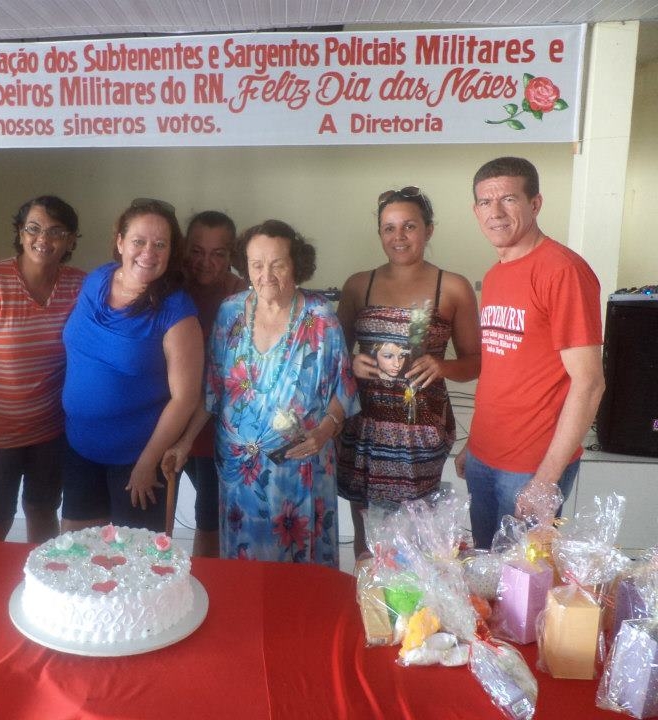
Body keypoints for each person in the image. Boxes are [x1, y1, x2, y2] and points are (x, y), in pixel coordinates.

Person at [167, 219, 358, 566]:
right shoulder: (230, 312)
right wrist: (184, 442)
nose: (265, 275)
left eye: (277, 264)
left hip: (300, 467)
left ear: (296, 265)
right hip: (240, 471)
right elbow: (213, 389)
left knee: (299, 569)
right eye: (256, 264)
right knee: (244, 563)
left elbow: (342, 388)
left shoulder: (320, 317)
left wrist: (324, 432)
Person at [456, 157, 605, 549]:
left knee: (522, 580)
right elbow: (502, 369)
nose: (495, 212)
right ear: (475, 211)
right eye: (485, 202)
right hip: (485, 457)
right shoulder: (495, 275)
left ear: (535, 204)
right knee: (485, 570)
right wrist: (474, 444)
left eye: (508, 199)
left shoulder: (563, 271)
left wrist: (546, 480)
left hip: (531, 468)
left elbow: (590, 383)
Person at [337, 187, 481, 558]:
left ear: (428, 230)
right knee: (367, 535)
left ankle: (411, 599)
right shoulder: (358, 285)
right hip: (365, 427)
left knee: (415, 543)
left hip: (420, 432)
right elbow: (332, 358)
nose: (398, 236)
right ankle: (365, 594)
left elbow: (476, 362)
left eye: (409, 226)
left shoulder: (453, 287)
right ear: (380, 233)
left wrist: (442, 366)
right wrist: (350, 364)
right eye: (389, 228)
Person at [60, 199, 203, 533]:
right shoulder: (96, 280)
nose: (148, 252)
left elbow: (185, 399)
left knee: (136, 559)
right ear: (120, 242)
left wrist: (147, 463)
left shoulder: (176, 311)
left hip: (137, 460)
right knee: (78, 552)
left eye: (160, 244)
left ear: (171, 252)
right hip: (80, 447)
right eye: (139, 241)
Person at [0, 196, 84, 543]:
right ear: (20, 234)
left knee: (43, 511)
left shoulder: (80, 286)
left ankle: (41, 577)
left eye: (56, 232)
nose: (43, 239)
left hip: (52, 431)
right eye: (33, 229)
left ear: (70, 241)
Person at [178, 211, 247, 557]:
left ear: (231, 253)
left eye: (218, 253)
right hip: (166, 420)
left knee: (210, 517)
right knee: (150, 515)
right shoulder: (171, 287)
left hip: (216, 427)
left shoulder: (241, 296)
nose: (205, 262)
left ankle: (206, 580)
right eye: (197, 251)